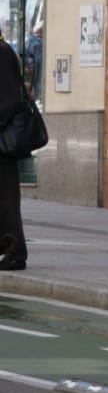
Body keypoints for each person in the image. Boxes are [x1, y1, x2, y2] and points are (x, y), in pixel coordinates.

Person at [0, 31, 28, 270]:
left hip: (3, 142)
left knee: (6, 198)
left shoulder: (1, 52)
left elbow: (8, 101)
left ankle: (15, 252)